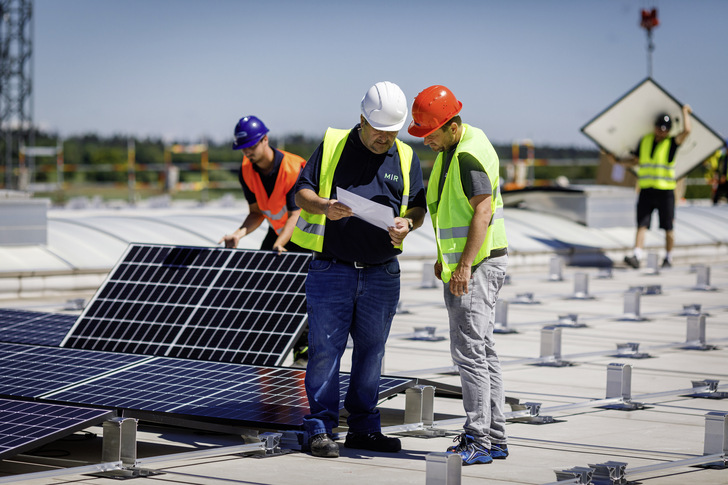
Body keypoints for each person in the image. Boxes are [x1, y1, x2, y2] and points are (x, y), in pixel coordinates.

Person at [291, 81, 426, 458]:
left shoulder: (405, 156)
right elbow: (300, 191)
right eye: (379, 132)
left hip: (382, 273)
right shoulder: (333, 144)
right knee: (324, 352)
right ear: (362, 120)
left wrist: (409, 224)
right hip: (332, 270)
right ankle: (318, 428)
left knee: (371, 353)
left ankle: (364, 428)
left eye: (391, 133)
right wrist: (324, 206)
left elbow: (417, 205)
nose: (385, 139)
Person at [408, 85, 509, 466]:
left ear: (451, 126)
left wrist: (464, 264)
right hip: (478, 262)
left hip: (478, 266)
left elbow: (482, 212)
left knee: (469, 355)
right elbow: (456, 212)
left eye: (429, 133)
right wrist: (444, 256)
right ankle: (494, 437)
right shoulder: (464, 144)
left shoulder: (465, 156)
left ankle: (479, 439)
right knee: (483, 352)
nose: (426, 140)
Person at [219, 115, 309, 366]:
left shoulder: (293, 168)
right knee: (264, 283)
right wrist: (239, 233)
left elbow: (296, 214)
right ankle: (270, 344)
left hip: (307, 232)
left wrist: (280, 243)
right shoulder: (246, 170)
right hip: (280, 230)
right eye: (243, 148)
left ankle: (304, 351)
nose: (247, 152)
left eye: (251, 146)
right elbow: (257, 212)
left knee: (303, 291)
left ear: (265, 139)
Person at [608, 105, 692, 269]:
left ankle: (668, 257)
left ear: (668, 130)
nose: (661, 131)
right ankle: (637, 255)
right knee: (641, 223)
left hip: (665, 191)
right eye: (659, 128)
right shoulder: (645, 140)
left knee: (668, 227)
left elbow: (687, 131)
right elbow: (636, 160)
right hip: (646, 189)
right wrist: (617, 162)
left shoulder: (671, 143)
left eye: (665, 129)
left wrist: (684, 112)